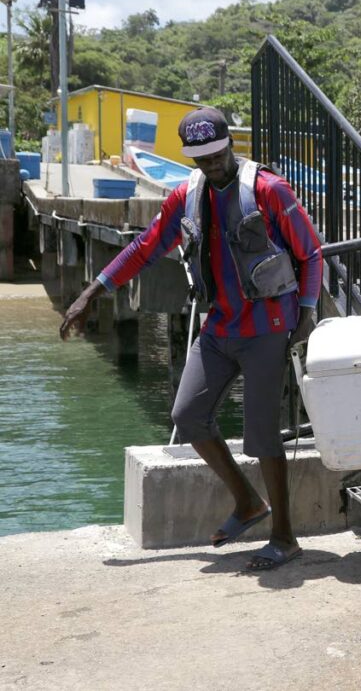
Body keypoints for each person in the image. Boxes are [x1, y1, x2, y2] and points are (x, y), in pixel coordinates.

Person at [60, 108, 323, 569]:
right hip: (219, 326)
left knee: (262, 436)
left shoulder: (268, 190)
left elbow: (312, 252)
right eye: (201, 158)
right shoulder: (185, 196)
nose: (212, 163)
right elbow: (144, 247)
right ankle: (246, 502)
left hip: (267, 327)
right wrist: (91, 293)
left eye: (218, 153)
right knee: (188, 414)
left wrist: (305, 311)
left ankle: (284, 537)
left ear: (230, 145)